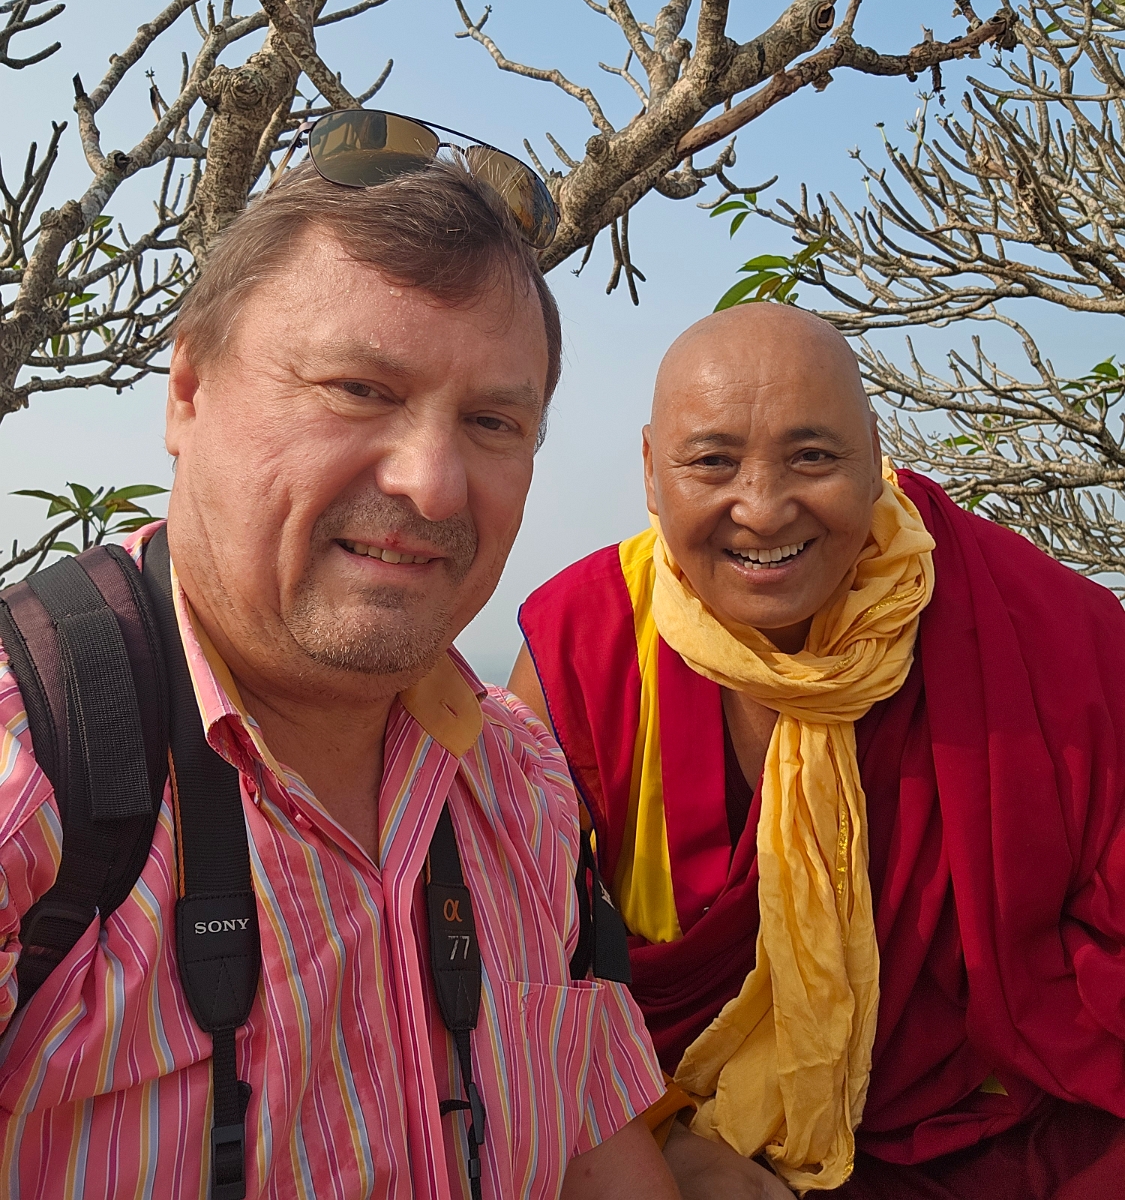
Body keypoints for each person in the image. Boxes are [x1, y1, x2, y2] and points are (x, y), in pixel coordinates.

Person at [0, 155, 676, 1198]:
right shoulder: (33, 777)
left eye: (492, 423)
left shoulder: (521, 783)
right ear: (187, 391)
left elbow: (593, 1152)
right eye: (360, 391)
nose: (433, 484)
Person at [511, 302, 1125, 1199]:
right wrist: (659, 1134)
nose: (762, 510)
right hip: (678, 1135)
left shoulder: (1039, 629)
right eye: (711, 462)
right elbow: (514, 967)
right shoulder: (586, 644)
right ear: (649, 470)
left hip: (983, 1137)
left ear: (874, 454)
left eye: (811, 457)